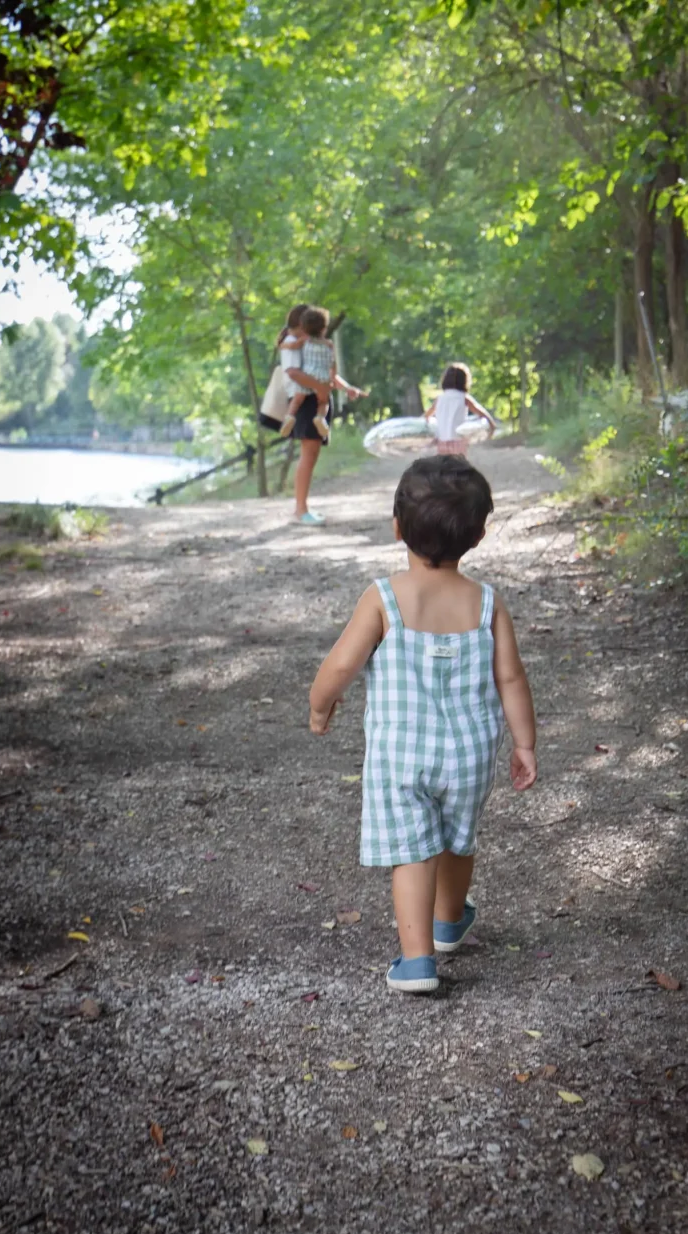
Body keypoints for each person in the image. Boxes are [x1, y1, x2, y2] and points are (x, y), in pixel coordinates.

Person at [308, 455, 537, 994]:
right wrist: (524, 743)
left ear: (396, 527)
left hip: (401, 756)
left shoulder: (384, 598)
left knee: (413, 851)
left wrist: (320, 706)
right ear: (478, 535)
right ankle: (449, 923)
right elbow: (512, 678)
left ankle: (417, 962)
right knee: (458, 838)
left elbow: (341, 665)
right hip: (469, 753)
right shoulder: (486, 603)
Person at [259, 303, 368, 527]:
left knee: (312, 453)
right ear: (301, 325)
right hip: (306, 399)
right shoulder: (292, 343)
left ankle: (303, 506)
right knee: (308, 454)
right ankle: (300, 509)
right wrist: (321, 388)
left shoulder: (311, 343)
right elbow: (294, 373)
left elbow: (326, 371)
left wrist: (345, 388)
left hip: (314, 396)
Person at [279, 306, 336, 441]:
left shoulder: (304, 340)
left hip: (307, 374)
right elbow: (333, 364)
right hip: (322, 378)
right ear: (324, 329)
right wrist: (331, 379)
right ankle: (320, 417)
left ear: (304, 327)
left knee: (297, 400)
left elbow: (292, 346)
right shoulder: (328, 344)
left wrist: (283, 345)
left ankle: (289, 417)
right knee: (323, 402)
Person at [424, 362, 495, 456]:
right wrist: (491, 425)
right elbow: (481, 413)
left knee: (445, 465)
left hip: (442, 441)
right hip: (458, 440)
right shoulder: (463, 398)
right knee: (459, 466)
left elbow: (427, 416)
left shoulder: (439, 399)